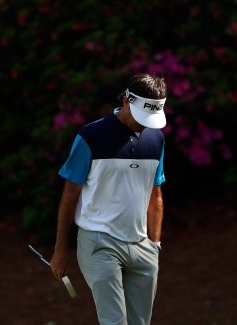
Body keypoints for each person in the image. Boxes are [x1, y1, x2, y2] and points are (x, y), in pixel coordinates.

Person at [50, 73, 167, 324]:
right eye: (141, 116)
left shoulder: (156, 139)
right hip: (99, 242)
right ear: (126, 101)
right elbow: (70, 194)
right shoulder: (91, 136)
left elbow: (155, 193)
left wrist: (154, 246)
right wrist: (60, 249)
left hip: (142, 246)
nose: (145, 124)